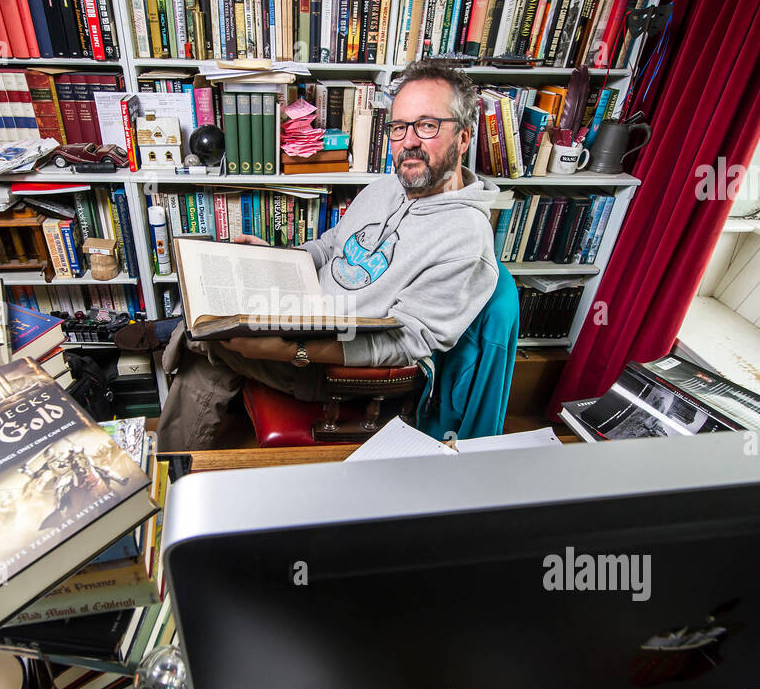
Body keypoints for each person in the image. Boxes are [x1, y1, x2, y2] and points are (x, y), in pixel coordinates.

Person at [156, 59, 503, 450]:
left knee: (205, 342)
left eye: (427, 125)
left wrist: (294, 351)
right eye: (399, 127)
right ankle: (176, 455)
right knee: (212, 319)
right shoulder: (385, 187)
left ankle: (170, 455)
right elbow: (329, 245)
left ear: (463, 137)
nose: (408, 141)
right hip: (297, 313)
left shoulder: (466, 242)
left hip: (336, 364)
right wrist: (278, 259)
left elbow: (403, 345)